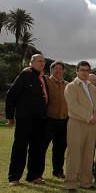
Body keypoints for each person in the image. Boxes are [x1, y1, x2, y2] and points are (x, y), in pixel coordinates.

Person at [6, 54, 48, 186]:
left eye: (43, 61)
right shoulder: (26, 75)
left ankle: (34, 176)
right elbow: (11, 95)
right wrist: (9, 116)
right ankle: (14, 177)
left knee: (37, 148)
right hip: (25, 118)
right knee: (20, 147)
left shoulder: (42, 77)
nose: (41, 63)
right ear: (32, 62)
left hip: (40, 119)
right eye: (39, 61)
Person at [64, 61, 96, 192]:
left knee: (88, 154)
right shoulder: (71, 86)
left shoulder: (92, 87)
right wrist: (89, 117)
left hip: (91, 125)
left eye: (87, 70)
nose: (85, 72)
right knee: (74, 154)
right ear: (77, 71)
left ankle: (86, 182)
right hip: (76, 123)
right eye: (82, 70)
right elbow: (73, 106)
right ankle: (71, 183)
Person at [41, 60, 68, 179]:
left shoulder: (67, 85)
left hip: (63, 121)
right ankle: (37, 174)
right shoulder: (45, 80)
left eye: (61, 69)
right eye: (56, 68)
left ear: (63, 71)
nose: (58, 71)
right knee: (42, 148)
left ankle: (58, 171)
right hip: (48, 120)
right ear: (51, 70)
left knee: (60, 148)